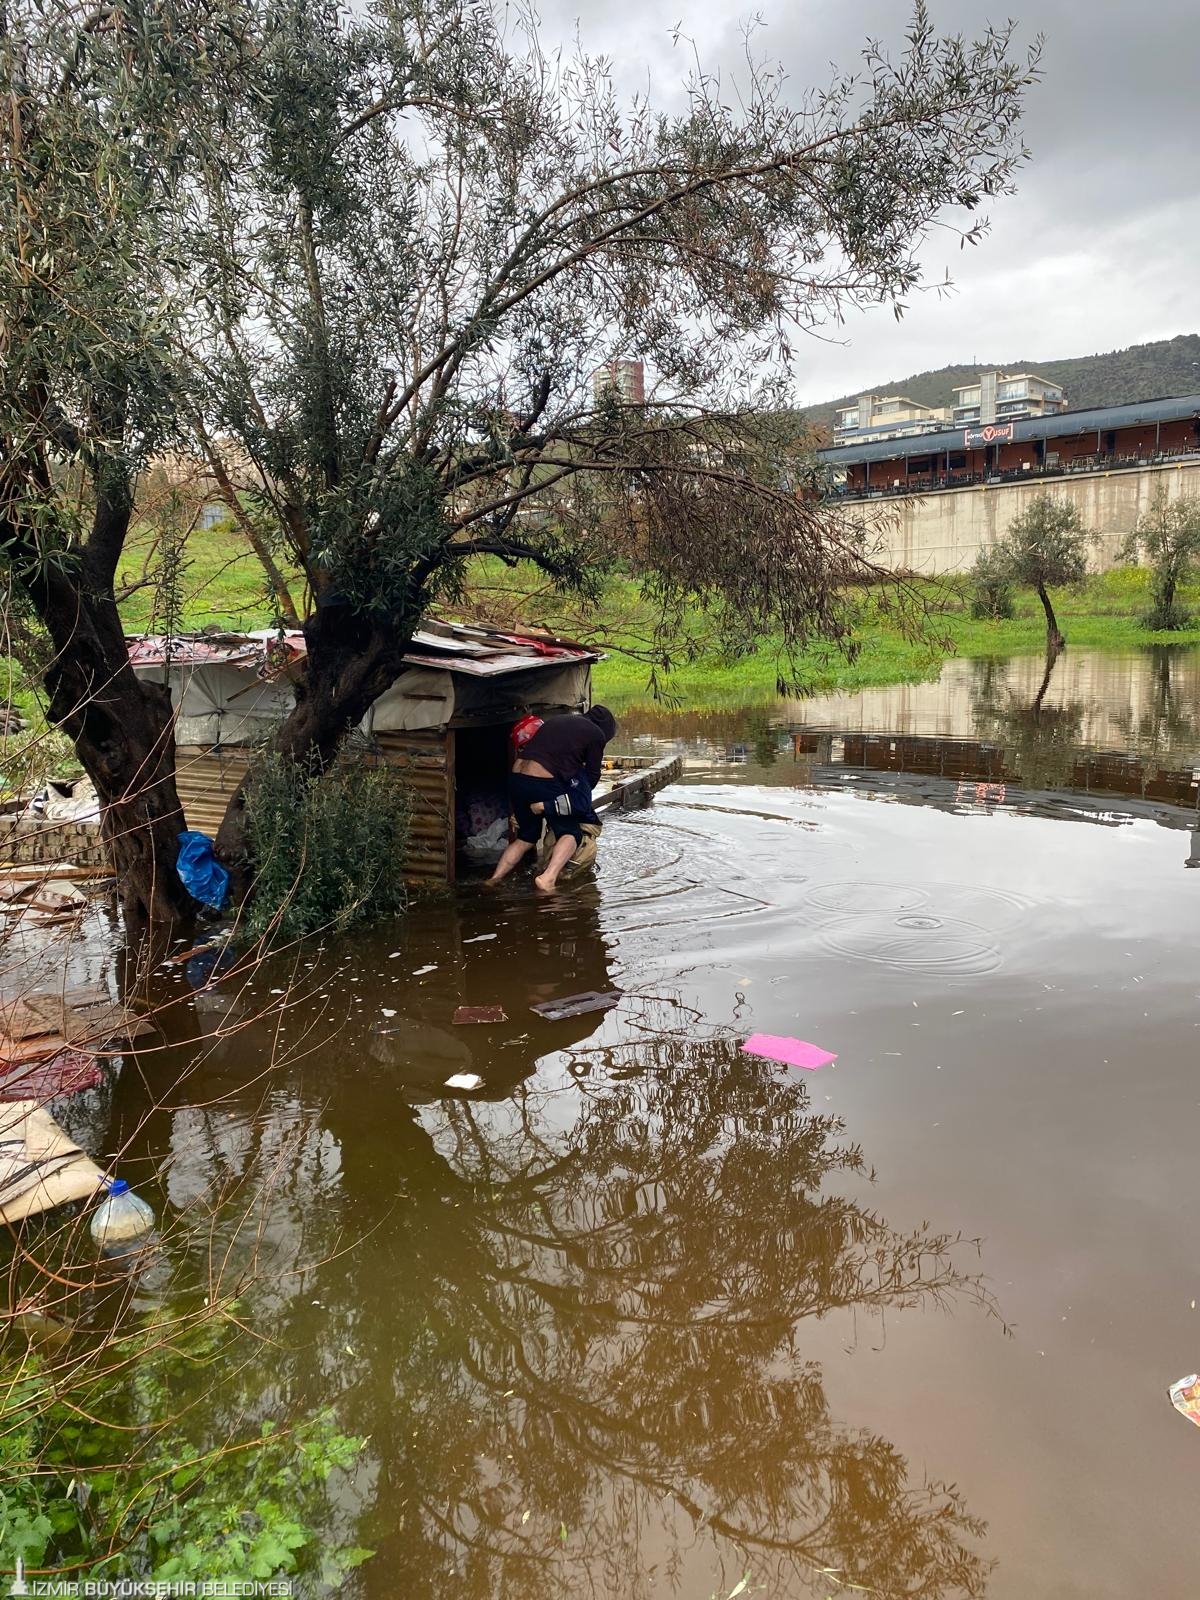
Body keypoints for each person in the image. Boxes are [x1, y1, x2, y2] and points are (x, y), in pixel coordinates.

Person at [489, 705, 618, 892]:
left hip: (517, 778)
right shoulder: (596, 733)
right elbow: (592, 775)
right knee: (570, 832)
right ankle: (548, 878)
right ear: (606, 730)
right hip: (542, 781)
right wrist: (575, 799)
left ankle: (494, 879)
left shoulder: (560, 720)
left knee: (526, 837)